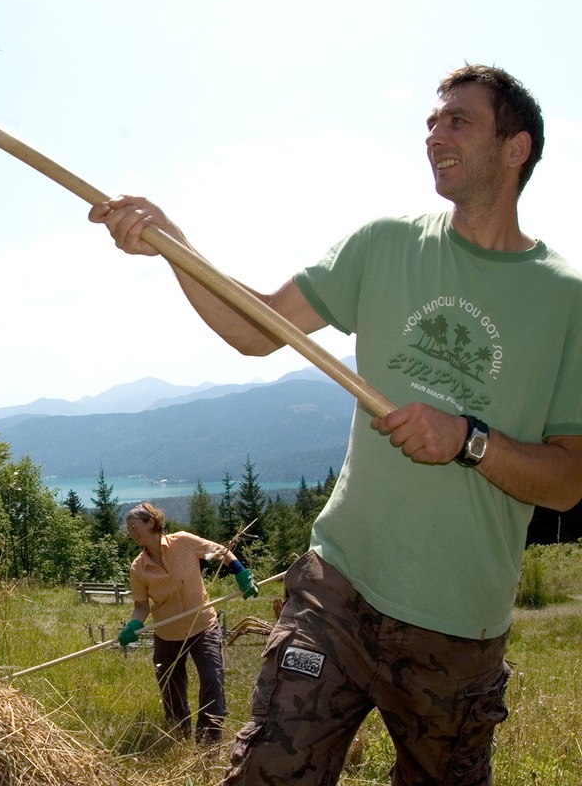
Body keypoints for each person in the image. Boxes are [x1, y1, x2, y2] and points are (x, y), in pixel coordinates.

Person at [90, 64, 582, 785]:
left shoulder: (564, 300)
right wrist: (172, 244)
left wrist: (469, 440)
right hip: (339, 588)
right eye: (431, 122)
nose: (434, 135)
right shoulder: (384, 245)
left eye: (458, 121)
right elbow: (256, 328)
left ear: (517, 149)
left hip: (459, 624)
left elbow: (569, 481)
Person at [118, 501, 258, 745]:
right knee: (171, 687)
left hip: (203, 625)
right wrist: (133, 626)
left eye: (134, 526)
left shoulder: (183, 542)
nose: (131, 532)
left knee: (212, 679)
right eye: (128, 529)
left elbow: (219, 552)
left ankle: (208, 740)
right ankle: (178, 734)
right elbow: (142, 607)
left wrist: (240, 572)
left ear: (151, 522)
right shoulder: (138, 568)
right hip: (167, 633)